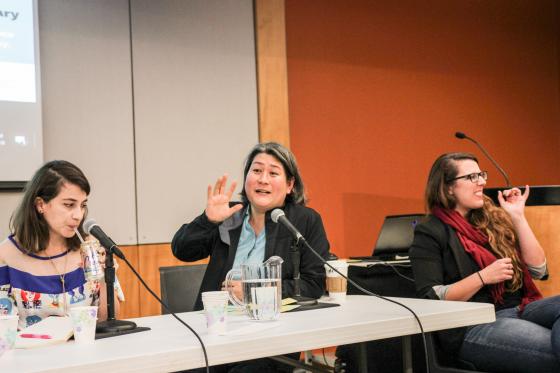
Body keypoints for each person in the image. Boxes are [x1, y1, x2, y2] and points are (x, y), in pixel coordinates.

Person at [409, 152, 559, 372]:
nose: (482, 181)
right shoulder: (430, 231)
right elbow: (431, 298)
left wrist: (517, 216)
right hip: (474, 325)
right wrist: (483, 277)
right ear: (448, 187)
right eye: (471, 177)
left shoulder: (492, 221)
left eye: (481, 174)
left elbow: (538, 269)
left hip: (519, 309)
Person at [172, 142, 330, 311]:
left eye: (273, 173)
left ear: (289, 185)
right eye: (256, 171)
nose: (263, 180)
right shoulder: (229, 215)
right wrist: (207, 221)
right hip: (217, 321)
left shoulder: (304, 220)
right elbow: (182, 251)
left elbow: (313, 284)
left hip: (272, 324)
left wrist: (254, 291)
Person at [0, 160, 123, 330]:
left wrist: (105, 279)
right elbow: (4, 334)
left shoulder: (90, 249)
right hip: (31, 355)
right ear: (40, 205)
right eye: (69, 205)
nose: (79, 215)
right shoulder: (5, 256)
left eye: (82, 205)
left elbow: (108, 323)